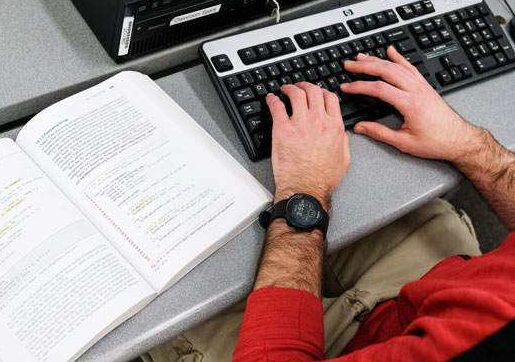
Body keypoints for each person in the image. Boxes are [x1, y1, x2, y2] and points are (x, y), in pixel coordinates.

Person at [142, 46, 515, 362]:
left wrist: (304, 191)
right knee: (425, 213)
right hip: (442, 292)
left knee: (171, 303)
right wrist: (474, 147)